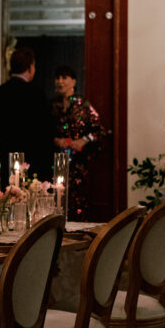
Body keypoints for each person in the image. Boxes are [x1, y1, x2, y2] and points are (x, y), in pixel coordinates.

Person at [0, 46, 52, 186]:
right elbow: (46, 131)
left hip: (5, 165)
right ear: (30, 67)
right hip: (32, 165)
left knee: (6, 205)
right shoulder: (37, 94)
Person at [51, 65, 106, 220]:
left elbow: (99, 131)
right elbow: (44, 133)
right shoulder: (52, 105)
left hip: (78, 165)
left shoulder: (83, 105)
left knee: (77, 205)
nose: (60, 82)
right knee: (56, 202)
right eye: (58, 78)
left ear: (73, 81)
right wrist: (55, 140)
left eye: (64, 78)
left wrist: (83, 140)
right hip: (56, 164)